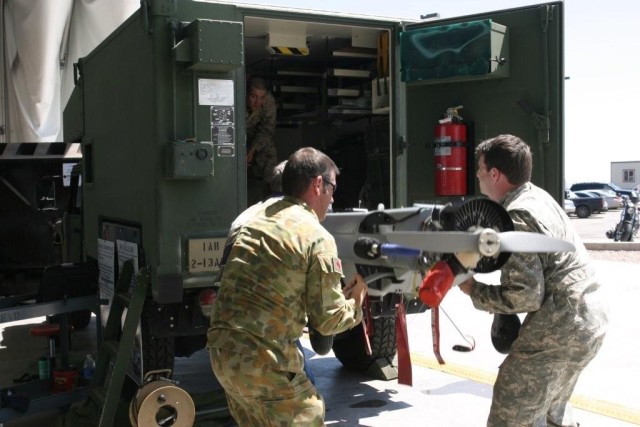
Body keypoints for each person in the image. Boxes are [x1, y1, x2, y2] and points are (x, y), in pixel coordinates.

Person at [208, 147, 367, 426]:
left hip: (223, 356)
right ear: (318, 184)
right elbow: (329, 322)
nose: (332, 199)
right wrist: (357, 302)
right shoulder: (316, 235)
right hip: (264, 364)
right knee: (309, 414)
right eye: (332, 188)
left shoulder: (251, 218)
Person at [458, 134, 608, 427]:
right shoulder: (538, 197)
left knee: (511, 414)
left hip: (561, 326)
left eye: (480, 168)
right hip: (588, 320)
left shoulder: (516, 216)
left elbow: (525, 296)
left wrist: (473, 289)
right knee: (552, 412)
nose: (476, 174)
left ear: (494, 174)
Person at [245, 76, 278, 205]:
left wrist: (253, 149)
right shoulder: (235, 96)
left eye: (261, 97)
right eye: (253, 97)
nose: (257, 102)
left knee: (269, 152)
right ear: (246, 93)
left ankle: (274, 198)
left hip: (255, 135)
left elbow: (267, 129)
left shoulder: (268, 102)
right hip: (234, 136)